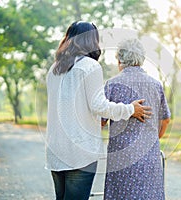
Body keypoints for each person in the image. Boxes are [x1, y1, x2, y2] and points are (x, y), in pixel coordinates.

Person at [45, 21, 152, 200]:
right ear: (92, 41)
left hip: (56, 150)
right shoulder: (90, 66)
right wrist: (130, 109)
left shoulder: (54, 68)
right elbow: (99, 106)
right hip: (79, 152)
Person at [102, 38, 171, 199]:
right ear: (142, 58)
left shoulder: (112, 85)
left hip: (120, 158)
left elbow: (101, 121)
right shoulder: (156, 85)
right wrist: (152, 139)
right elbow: (165, 120)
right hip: (149, 157)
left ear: (120, 59)